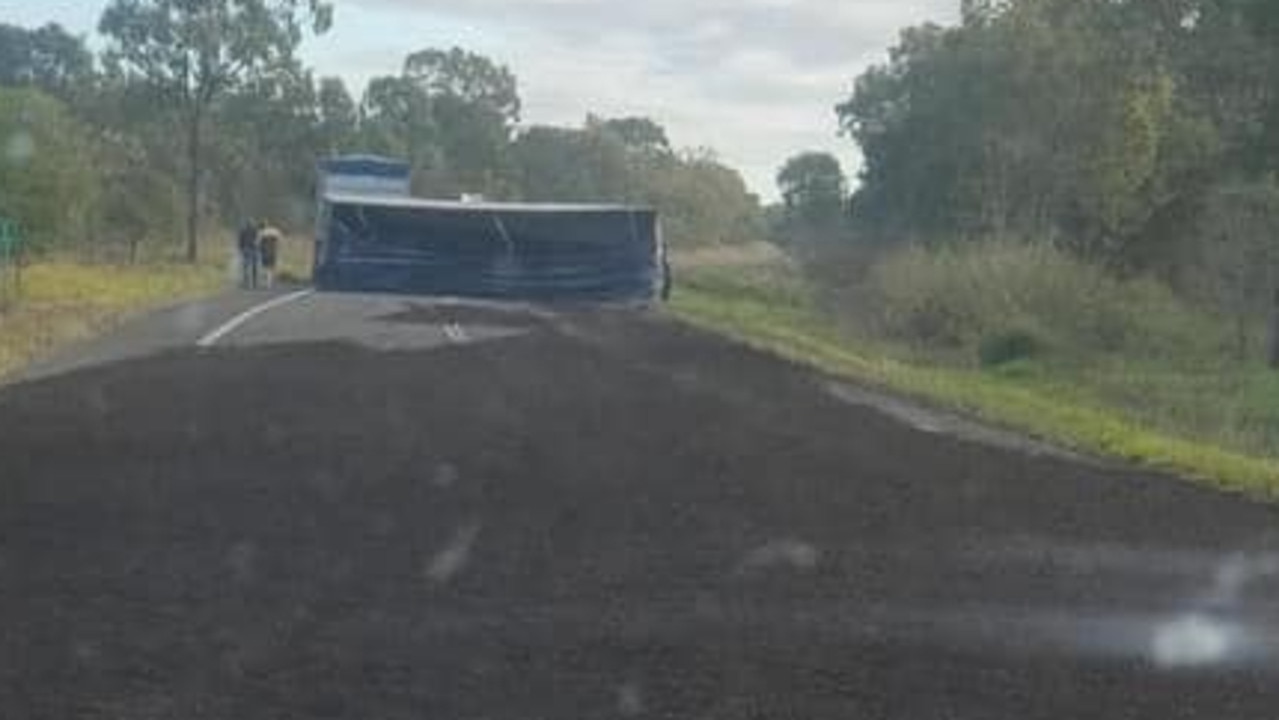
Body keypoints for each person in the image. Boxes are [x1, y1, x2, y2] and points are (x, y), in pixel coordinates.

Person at [258, 222, 281, 290]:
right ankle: (270, 282)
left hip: (265, 252)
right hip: (273, 252)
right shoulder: (274, 233)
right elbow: (279, 241)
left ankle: (266, 282)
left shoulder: (262, 233)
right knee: (272, 268)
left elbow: (258, 243)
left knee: (265, 268)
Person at [237, 220, 259, 289]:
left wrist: (240, 249)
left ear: (246, 224)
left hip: (246, 249)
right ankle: (255, 282)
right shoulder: (255, 230)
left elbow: (240, 240)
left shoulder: (243, 231)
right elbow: (257, 240)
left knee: (246, 266)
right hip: (254, 249)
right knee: (254, 266)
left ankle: (246, 281)